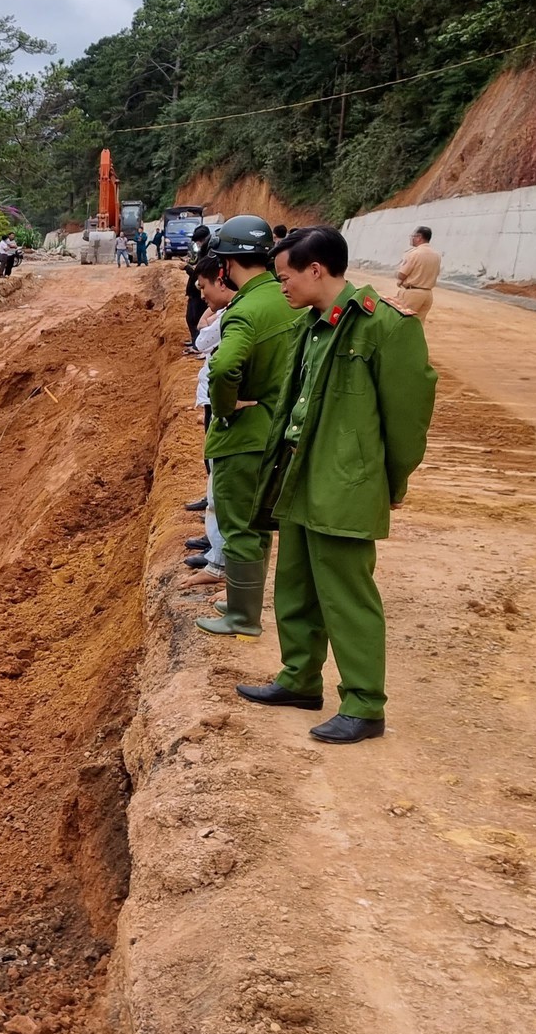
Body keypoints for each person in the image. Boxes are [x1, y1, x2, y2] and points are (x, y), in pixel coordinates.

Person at [236, 226, 437, 744]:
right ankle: (300, 678)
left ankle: (365, 704)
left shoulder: (385, 328)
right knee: (296, 585)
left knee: (347, 594)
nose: (280, 287)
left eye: (285, 277)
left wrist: (388, 483)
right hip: (301, 477)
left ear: (315, 270)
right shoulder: (314, 325)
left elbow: (408, 420)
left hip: (345, 483)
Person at [194, 216, 297, 638]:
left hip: (246, 433)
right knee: (258, 523)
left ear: (226, 265)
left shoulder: (246, 309)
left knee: (238, 525)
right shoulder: (282, 298)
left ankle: (241, 615)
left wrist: (224, 407)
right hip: (277, 426)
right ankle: (242, 600)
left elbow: (223, 366)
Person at [183, 256, 237, 586]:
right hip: (218, 401)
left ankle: (219, 559)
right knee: (214, 477)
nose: (201, 294)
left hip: (228, 409)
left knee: (221, 483)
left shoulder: (238, 313)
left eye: (203, 287)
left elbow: (204, 342)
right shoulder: (237, 309)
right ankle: (216, 548)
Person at [393, 226, 441, 322]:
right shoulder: (436, 255)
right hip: (427, 294)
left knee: (401, 321)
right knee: (418, 324)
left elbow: (402, 274)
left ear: (419, 237)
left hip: (412, 293)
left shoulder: (415, 253)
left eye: (413, 236)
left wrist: (397, 276)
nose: (411, 238)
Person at [182, 225, 214, 350]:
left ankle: (198, 345)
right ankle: (195, 341)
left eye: (198, 241)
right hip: (195, 291)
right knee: (191, 318)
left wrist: (186, 268)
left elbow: (200, 274)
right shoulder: (202, 253)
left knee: (196, 319)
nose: (197, 243)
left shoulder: (208, 253)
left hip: (198, 292)